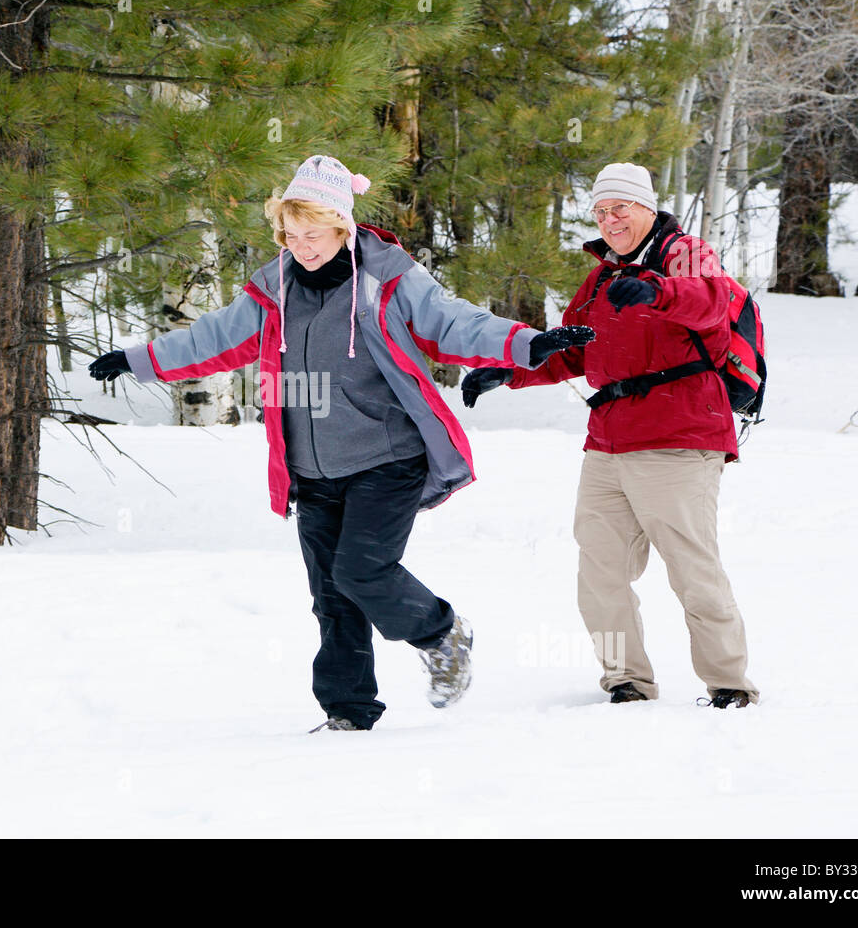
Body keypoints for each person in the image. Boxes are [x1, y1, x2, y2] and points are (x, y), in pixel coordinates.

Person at [91, 154, 594, 731]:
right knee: (331, 597)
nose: (303, 246)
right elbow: (214, 340)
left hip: (387, 458)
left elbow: (452, 322)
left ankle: (441, 631)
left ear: (342, 227)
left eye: (315, 233)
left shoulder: (387, 278)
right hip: (313, 469)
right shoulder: (273, 290)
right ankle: (349, 712)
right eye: (291, 234)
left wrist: (527, 342)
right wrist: (139, 359)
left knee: (362, 571)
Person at [463, 162, 758, 709]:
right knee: (600, 572)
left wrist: (655, 292)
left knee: (692, 568)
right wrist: (508, 371)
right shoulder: (602, 275)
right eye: (600, 210)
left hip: (679, 434)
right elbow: (572, 349)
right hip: (607, 442)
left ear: (647, 206)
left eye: (620, 207)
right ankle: (627, 681)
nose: (611, 219)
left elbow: (713, 303)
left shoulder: (684, 253)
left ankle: (729, 684)